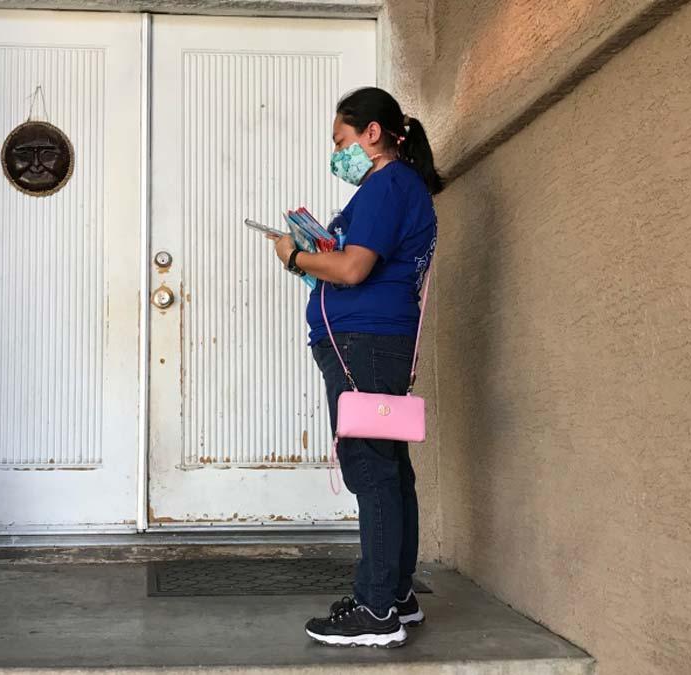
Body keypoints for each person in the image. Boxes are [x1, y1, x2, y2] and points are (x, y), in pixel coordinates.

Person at [268, 87, 442, 648]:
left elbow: (353, 269)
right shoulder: (392, 187)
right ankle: (396, 594)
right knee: (390, 467)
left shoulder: (387, 185)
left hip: (363, 345)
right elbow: (349, 261)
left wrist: (294, 256)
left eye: (341, 139)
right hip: (373, 342)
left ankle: (375, 611)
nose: (336, 151)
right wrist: (319, 252)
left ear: (373, 134)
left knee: (370, 471)